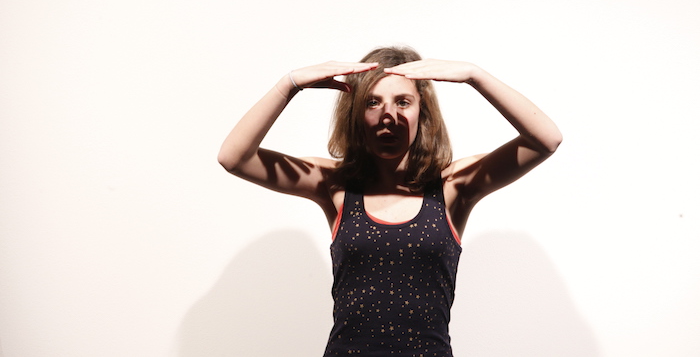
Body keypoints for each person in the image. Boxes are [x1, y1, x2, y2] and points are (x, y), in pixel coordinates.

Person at [218, 45, 562, 356]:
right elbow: (234, 158)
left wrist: (476, 76)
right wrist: (289, 84)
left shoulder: (453, 186)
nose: (388, 115)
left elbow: (546, 139)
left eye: (402, 102)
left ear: (421, 111)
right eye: (373, 102)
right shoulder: (334, 184)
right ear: (356, 113)